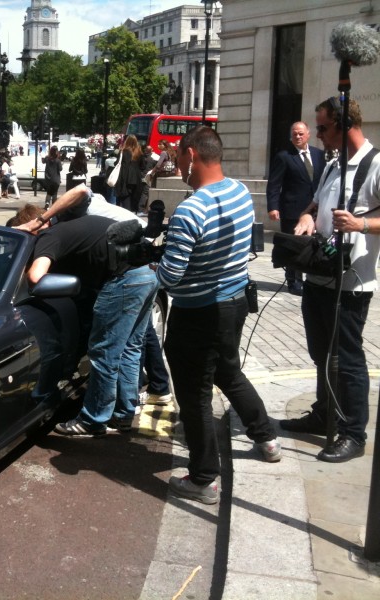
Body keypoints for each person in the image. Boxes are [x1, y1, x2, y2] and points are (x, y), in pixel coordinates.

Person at [156, 126, 281, 505]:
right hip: (235, 303)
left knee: (194, 395)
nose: (176, 164)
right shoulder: (241, 191)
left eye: (178, 156)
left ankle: (204, 478)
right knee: (228, 369)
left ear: (191, 155)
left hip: (198, 314)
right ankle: (266, 438)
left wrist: (154, 262)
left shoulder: (190, 210)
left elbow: (170, 276)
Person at [12, 184, 160, 436]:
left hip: (122, 281)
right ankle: (124, 414)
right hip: (145, 275)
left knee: (104, 352)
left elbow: (37, 277)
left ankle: (94, 419)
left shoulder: (49, 237)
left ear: (34, 230)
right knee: (130, 349)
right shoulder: (72, 225)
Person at [279, 98, 380, 463]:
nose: (316, 135)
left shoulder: (375, 164)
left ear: (343, 124)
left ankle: (354, 432)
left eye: (322, 128)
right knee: (320, 353)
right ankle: (324, 413)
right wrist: (307, 217)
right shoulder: (333, 165)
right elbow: (315, 203)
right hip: (318, 276)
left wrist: (361, 224)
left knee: (347, 358)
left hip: (351, 284)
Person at [266, 121, 326, 295]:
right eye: (294, 134)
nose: (298, 137)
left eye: (301, 133)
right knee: (294, 246)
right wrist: (273, 206)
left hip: (315, 209)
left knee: (314, 245)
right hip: (292, 209)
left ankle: (312, 277)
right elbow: (274, 184)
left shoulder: (319, 155)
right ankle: (294, 280)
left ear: (308, 134)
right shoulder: (284, 156)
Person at [114, 135, 144, 213]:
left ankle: (127, 212)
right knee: (134, 197)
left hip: (125, 176)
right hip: (136, 177)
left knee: (125, 196)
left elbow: (117, 163)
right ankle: (133, 212)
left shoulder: (123, 151)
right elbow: (143, 166)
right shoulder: (139, 152)